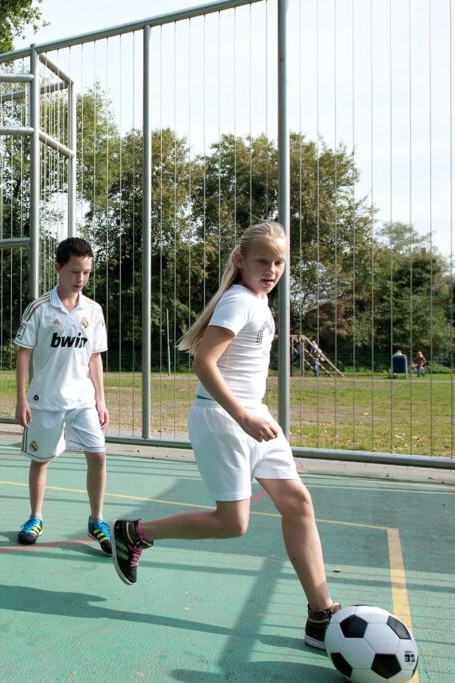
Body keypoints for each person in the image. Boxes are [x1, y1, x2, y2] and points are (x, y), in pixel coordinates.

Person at [110, 221, 341, 649]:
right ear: (240, 260)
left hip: (254, 417)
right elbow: (204, 362)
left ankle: (320, 614)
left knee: (298, 502)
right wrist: (242, 418)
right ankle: (136, 533)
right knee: (232, 524)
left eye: (279, 262)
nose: (272, 269)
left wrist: (252, 416)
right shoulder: (238, 301)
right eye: (263, 261)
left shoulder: (258, 301)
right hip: (223, 419)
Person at [13, 237, 112, 555]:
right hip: (46, 401)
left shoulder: (93, 311)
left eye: (85, 272)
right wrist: (21, 398)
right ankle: (35, 518)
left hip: (82, 400)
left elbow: (95, 356)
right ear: (58, 267)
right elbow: (23, 353)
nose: (80, 279)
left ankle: (97, 520)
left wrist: (100, 399)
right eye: (74, 271)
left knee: (98, 455)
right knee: (41, 462)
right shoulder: (40, 308)